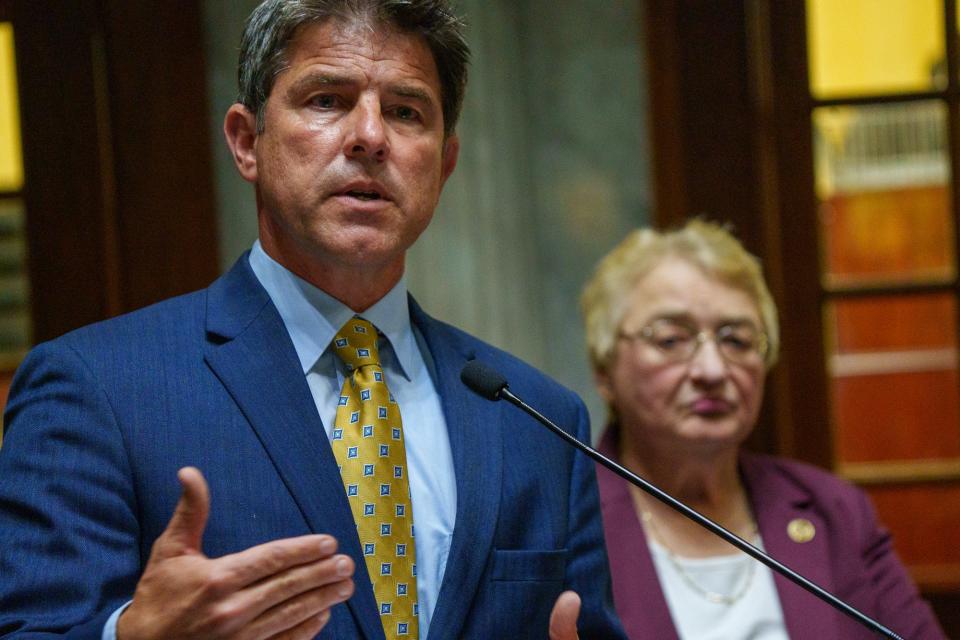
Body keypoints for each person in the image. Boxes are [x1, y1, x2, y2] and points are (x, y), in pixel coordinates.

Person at [0, 2, 624, 639]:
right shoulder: (97, 387)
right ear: (247, 142)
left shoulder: (538, 418)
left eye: (406, 111)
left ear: (445, 162)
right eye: (327, 100)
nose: (371, 137)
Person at [580, 219, 946, 639]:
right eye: (670, 339)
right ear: (604, 369)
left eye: (736, 340)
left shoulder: (833, 511)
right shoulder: (565, 521)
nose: (712, 370)